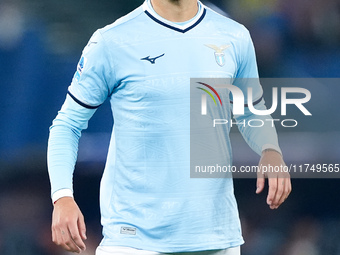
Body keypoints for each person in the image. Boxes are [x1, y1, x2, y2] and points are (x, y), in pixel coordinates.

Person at [47, 0, 292, 254]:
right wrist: (62, 196)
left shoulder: (234, 35)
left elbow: (251, 107)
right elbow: (67, 124)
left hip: (216, 237)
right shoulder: (112, 41)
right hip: (134, 238)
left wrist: (270, 148)